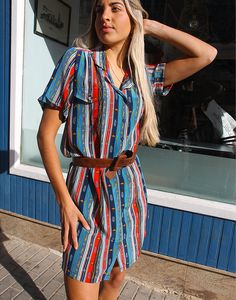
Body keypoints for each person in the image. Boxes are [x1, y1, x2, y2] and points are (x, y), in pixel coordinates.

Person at [37, 0, 217, 299]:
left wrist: (151, 27)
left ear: (132, 17)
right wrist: (64, 202)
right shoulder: (77, 61)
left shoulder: (143, 75)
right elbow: (45, 135)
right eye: (99, 9)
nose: (104, 16)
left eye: (115, 8)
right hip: (86, 193)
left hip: (129, 187)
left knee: (117, 276)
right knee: (83, 272)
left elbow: (206, 54)